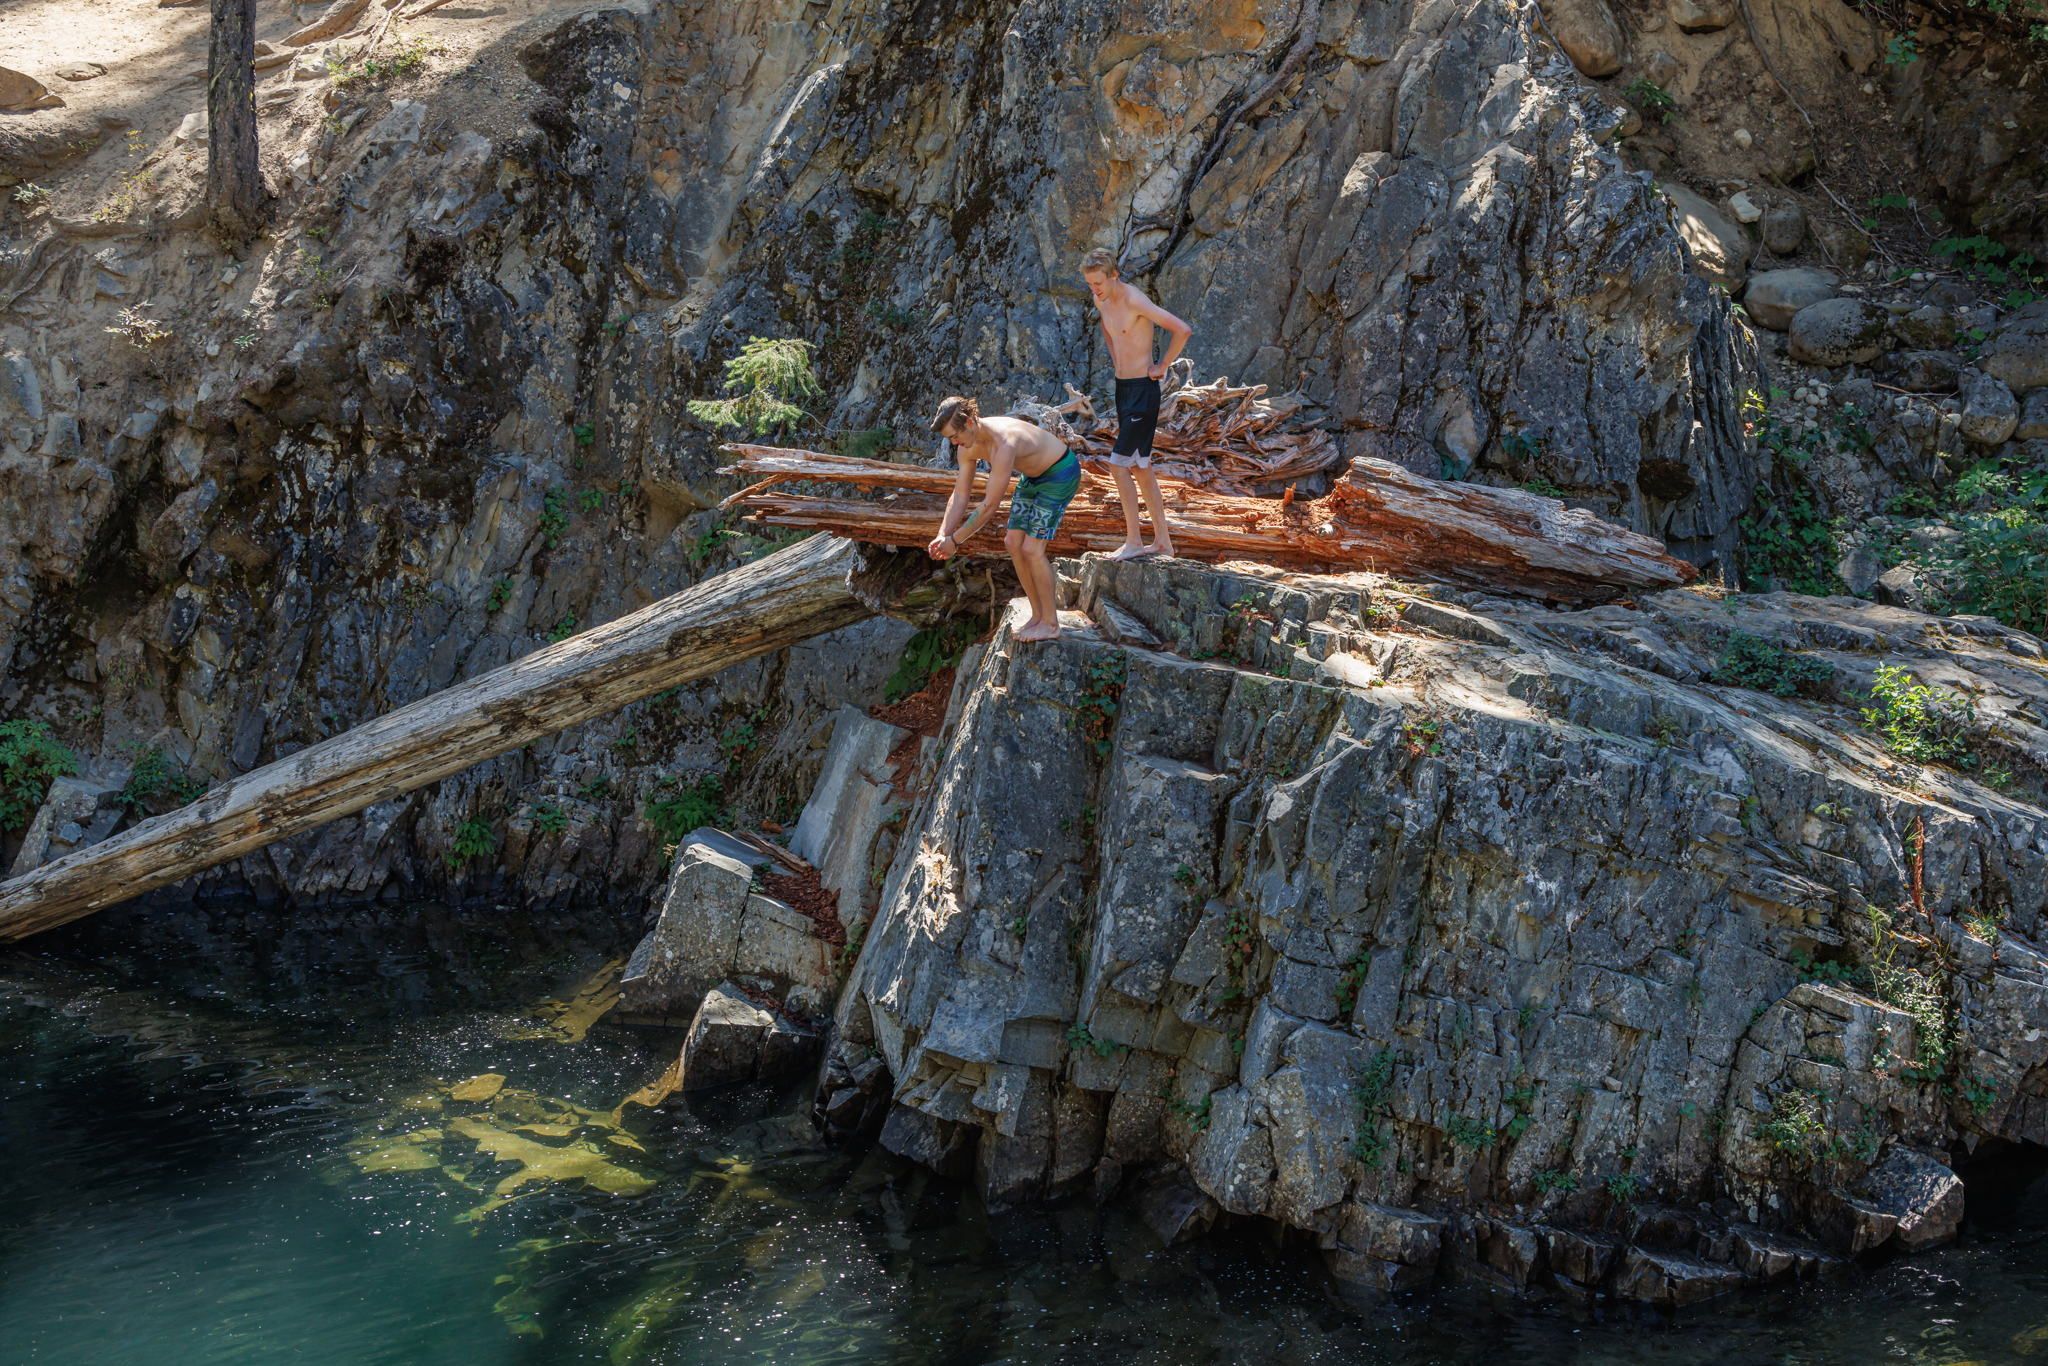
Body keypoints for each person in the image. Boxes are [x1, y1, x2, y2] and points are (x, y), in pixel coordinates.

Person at [925, 395, 1080, 642]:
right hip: (1032, 478)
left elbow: (989, 506)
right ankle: (1037, 615)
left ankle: (1051, 624)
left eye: (955, 436)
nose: (954, 442)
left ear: (970, 422)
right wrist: (943, 534)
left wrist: (955, 541)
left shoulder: (1004, 443)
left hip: (1060, 473)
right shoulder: (966, 447)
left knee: (1032, 549)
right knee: (1012, 543)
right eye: (950, 439)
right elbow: (960, 494)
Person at [1081, 246, 1191, 560]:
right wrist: (1116, 358)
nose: (1094, 289)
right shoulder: (1101, 299)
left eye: (1098, 282)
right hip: (1123, 389)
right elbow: (1107, 328)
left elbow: (1182, 330)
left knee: (1118, 464)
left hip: (1144, 391)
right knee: (1141, 467)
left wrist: (1162, 366)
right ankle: (1163, 543)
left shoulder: (1135, 300)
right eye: (1090, 284)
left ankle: (1133, 542)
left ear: (1114, 275)